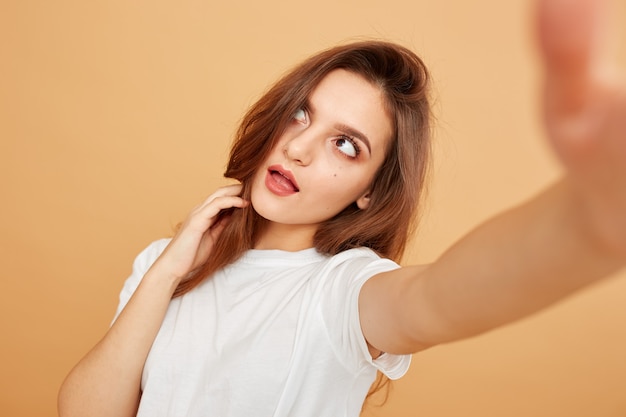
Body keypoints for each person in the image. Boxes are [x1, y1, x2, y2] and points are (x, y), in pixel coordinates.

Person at [58, 0, 626, 416]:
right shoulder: (165, 265)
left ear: (371, 192)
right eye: (301, 114)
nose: (298, 148)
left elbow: (439, 299)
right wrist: (166, 272)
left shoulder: (343, 293)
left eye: (346, 144)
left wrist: (586, 223)